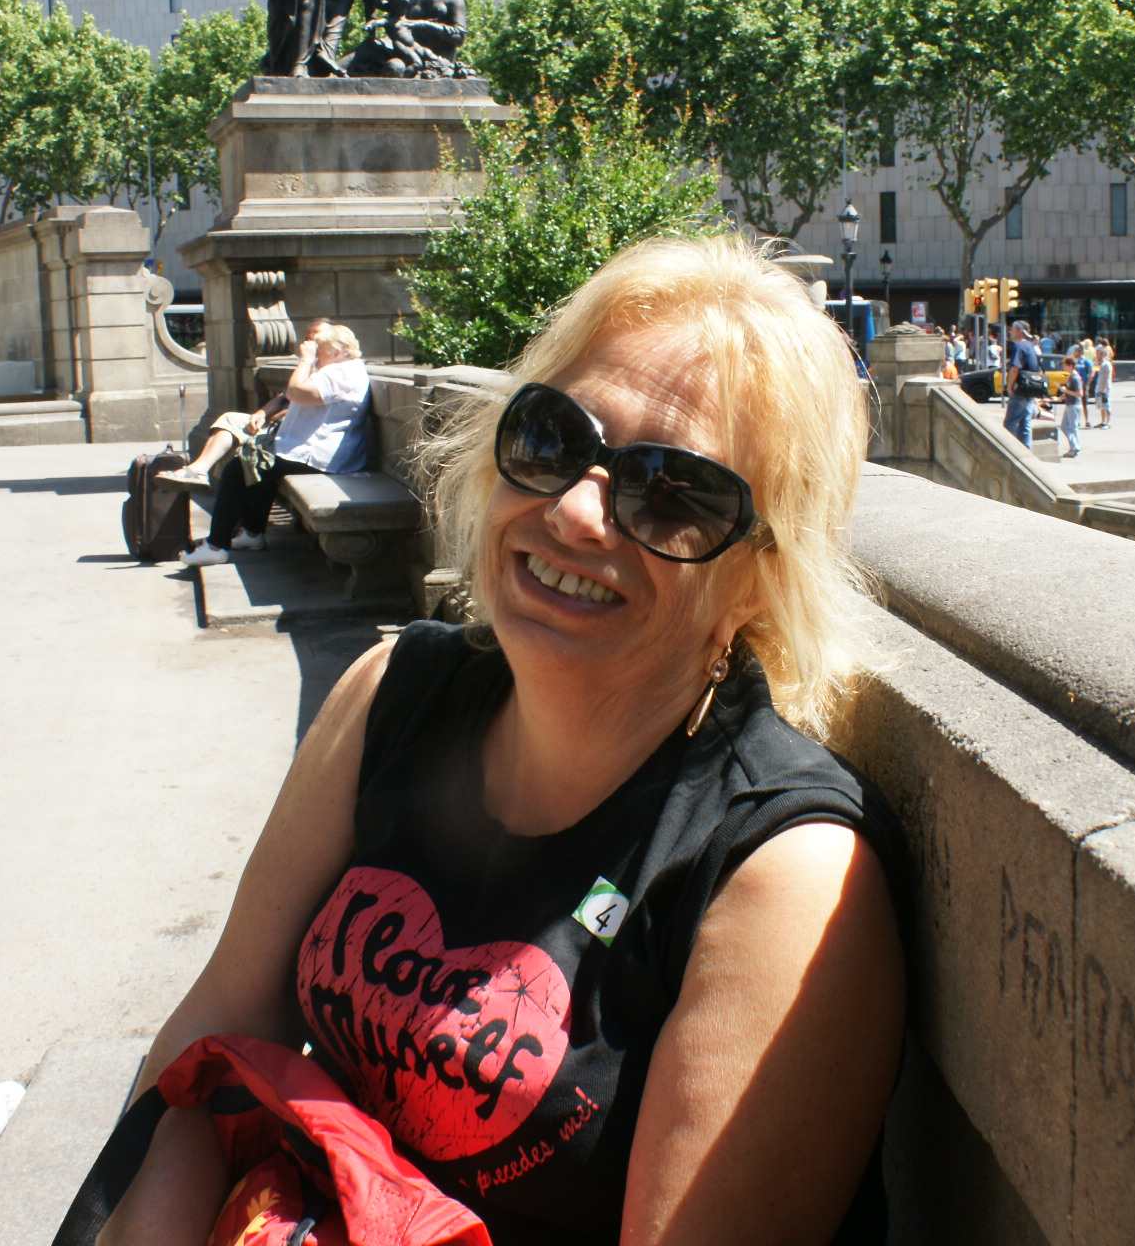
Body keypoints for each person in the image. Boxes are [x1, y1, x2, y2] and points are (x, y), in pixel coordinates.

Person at [102, 237, 903, 1246]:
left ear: (759, 576)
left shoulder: (781, 874)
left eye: (670, 493)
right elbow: (221, 1025)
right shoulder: (391, 693)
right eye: (553, 438)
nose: (574, 511)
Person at [168, 321, 371, 565]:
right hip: (313, 452)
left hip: (319, 458)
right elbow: (289, 396)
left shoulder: (341, 373)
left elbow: (295, 393)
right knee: (256, 466)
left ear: (337, 351)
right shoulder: (339, 370)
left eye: (319, 348)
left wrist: (305, 360)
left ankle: (216, 546)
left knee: (239, 468)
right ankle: (252, 534)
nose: (314, 353)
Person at [1004, 318, 1042, 447]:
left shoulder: (1018, 346)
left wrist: (1009, 387)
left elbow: (1015, 368)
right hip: (1030, 390)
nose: (1010, 332)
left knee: (1010, 423)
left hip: (1019, 390)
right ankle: (1026, 451)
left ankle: (1009, 451)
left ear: (1020, 331)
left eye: (1012, 329)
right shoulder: (1031, 346)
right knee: (1025, 424)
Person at [1056, 353, 1084, 458]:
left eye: (1065, 365)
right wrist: (1062, 396)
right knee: (1064, 427)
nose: (1063, 367)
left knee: (1072, 428)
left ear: (1070, 366)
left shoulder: (1075, 377)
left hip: (1074, 405)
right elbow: (1069, 390)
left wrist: (1065, 391)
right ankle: (1075, 446)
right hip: (1070, 404)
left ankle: (1074, 448)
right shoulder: (1071, 376)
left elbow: (1080, 394)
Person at [1093, 339, 1114, 428]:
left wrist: (1102, 390)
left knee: (1106, 406)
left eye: (1098, 353)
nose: (1096, 355)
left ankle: (1108, 423)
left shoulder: (1106, 364)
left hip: (1104, 389)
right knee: (1101, 406)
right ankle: (1102, 422)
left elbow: (1106, 378)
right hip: (1100, 388)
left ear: (1103, 354)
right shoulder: (1101, 364)